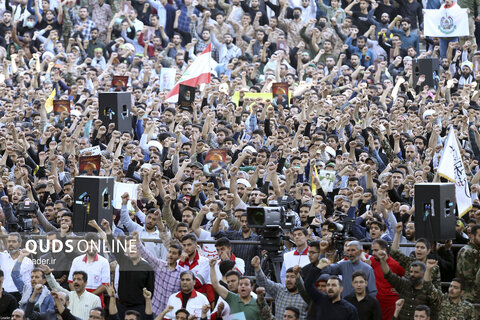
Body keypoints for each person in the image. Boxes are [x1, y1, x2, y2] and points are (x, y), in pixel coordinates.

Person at [375, 250, 440, 320]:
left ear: (423, 274)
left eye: (416, 272)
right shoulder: (404, 284)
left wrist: (429, 270)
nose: (412, 274)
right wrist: (382, 260)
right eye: (411, 272)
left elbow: (434, 314)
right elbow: (389, 275)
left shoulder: (429, 292)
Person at [251, 256, 308, 320]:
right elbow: (263, 282)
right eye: (287, 277)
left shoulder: (306, 296)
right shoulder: (280, 290)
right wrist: (257, 267)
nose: (288, 279)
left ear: (298, 278)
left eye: (292, 277)